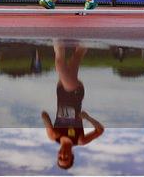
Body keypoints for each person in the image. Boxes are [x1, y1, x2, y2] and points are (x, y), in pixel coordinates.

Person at [41, 40, 104, 170]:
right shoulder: (80, 140)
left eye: (60, 158)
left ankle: (85, 37)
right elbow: (100, 130)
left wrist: (48, 125)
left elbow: (44, 115)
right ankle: (57, 35)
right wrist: (87, 118)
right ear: (72, 155)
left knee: (76, 58)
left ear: (57, 155)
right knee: (60, 64)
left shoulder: (54, 137)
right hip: (75, 94)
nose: (63, 156)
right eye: (66, 158)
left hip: (61, 92)